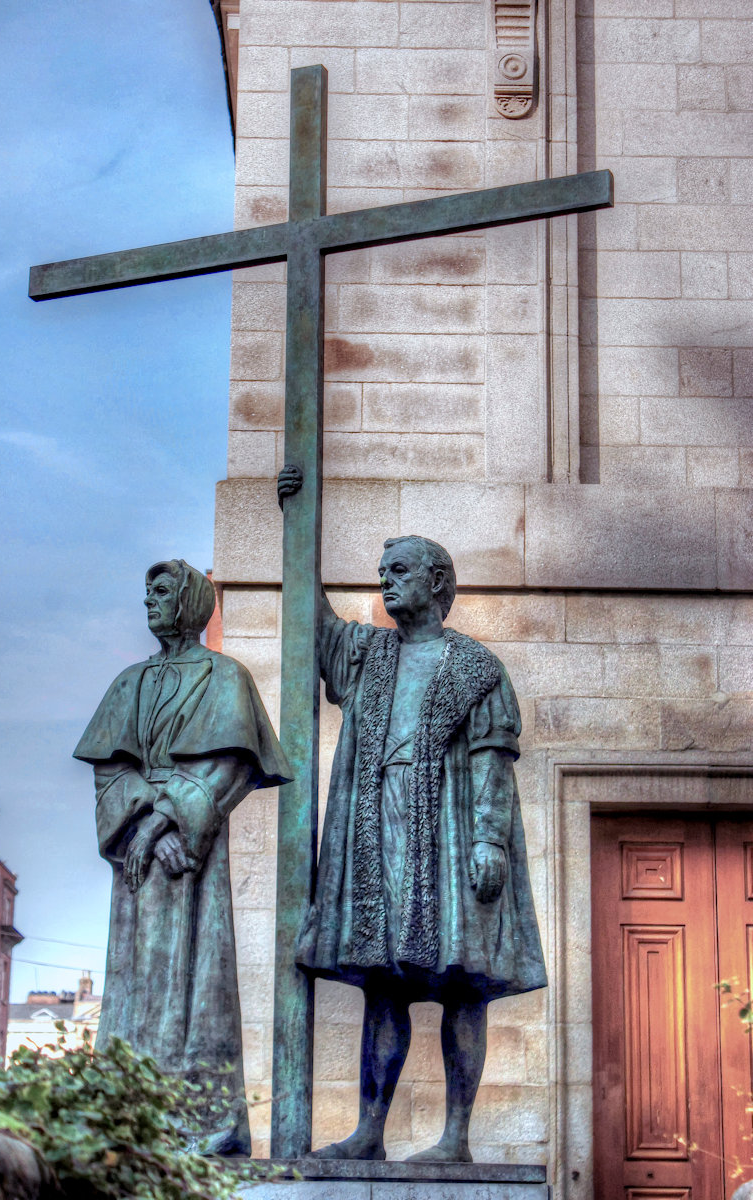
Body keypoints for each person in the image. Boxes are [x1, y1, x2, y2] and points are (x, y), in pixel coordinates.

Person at [278, 468, 546, 1162]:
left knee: (466, 987)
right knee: (383, 986)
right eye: (381, 572)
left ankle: (455, 1138)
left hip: (450, 842)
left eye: (399, 571)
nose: (386, 582)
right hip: (378, 835)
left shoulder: (475, 667)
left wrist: (489, 843)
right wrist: (294, 521)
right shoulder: (366, 655)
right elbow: (312, 618)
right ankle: (370, 1131)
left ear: (437, 582)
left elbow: (492, 760)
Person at [74, 559, 292, 1155]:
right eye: (146, 590)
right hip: (141, 867)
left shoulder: (226, 677)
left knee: (200, 981)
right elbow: (109, 773)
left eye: (162, 590)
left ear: (191, 603)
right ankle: (126, 1115)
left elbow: (233, 765)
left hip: (191, 861)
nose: (149, 599)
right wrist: (147, 825)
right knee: (134, 983)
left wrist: (172, 820)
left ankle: (199, 1122)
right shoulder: (127, 683)